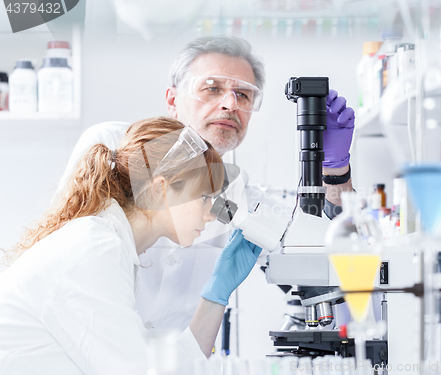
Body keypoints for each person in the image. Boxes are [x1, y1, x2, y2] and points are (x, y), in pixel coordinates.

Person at [57, 36, 356, 333]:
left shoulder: (241, 197)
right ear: (173, 100)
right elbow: (67, 256)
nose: (230, 104)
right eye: (212, 89)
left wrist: (336, 171)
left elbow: (331, 252)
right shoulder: (114, 147)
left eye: (243, 95)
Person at [0, 117, 262, 374]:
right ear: (160, 190)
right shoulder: (95, 250)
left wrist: (215, 296)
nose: (212, 214)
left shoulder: (110, 244)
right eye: (205, 197)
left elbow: (157, 365)